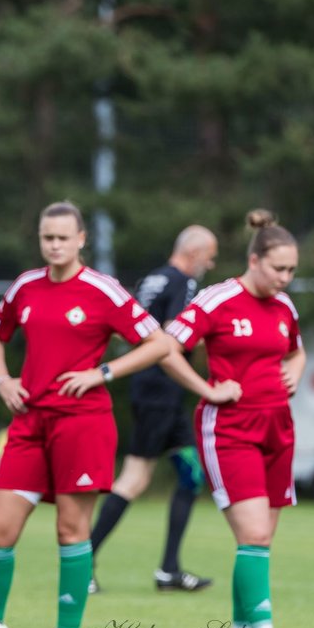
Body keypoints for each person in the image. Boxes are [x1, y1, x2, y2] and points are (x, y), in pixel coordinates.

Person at [0, 199, 171, 628]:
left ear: (81, 240)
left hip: (83, 424)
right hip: (29, 425)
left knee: (71, 530)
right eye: (47, 237)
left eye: (63, 238)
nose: (54, 245)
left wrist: (103, 371)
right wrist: (2, 380)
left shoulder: (102, 290)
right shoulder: (26, 286)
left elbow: (159, 342)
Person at [159, 208, 306, 628]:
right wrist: (206, 389)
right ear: (255, 259)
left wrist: (295, 373)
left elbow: (297, 350)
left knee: (260, 543)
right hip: (230, 431)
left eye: (292, 270)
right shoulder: (217, 299)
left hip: (278, 428)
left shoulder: (284, 307)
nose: (286, 278)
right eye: (279, 269)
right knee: (255, 534)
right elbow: (165, 346)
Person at [89, 226, 220, 594]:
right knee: (135, 478)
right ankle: (82, 562)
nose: (210, 263)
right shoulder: (182, 283)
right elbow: (170, 343)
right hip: (160, 390)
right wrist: (205, 386)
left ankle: (169, 570)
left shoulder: (152, 280)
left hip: (154, 390)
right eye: (209, 256)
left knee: (191, 474)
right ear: (193, 253)